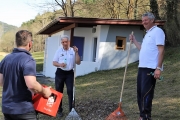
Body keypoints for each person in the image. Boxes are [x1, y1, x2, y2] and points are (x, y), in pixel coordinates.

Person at [0, 30, 52, 120]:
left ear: (16, 43)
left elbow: (1, 82)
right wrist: (45, 92)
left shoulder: (6, 59)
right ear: (30, 43)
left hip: (7, 109)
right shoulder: (28, 59)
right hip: (23, 110)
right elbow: (32, 85)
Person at [129, 12, 165, 120]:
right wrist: (134, 40)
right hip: (142, 67)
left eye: (146, 20)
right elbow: (142, 49)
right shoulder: (147, 33)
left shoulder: (158, 32)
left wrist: (158, 68)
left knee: (146, 93)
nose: (143, 22)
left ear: (152, 20)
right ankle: (142, 116)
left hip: (151, 68)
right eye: (142, 20)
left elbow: (161, 50)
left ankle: (146, 117)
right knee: (140, 93)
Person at [53, 35, 81, 117]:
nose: (64, 43)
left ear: (69, 42)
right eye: (63, 42)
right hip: (60, 73)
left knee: (70, 91)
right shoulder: (58, 51)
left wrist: (76, 53)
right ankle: (59, 111)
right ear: (61, 43)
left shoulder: (73, 50)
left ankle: (71, 110)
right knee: (58, 92)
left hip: (69, 73)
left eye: (66, 42)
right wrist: (59, 64)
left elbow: (78, 62)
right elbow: (54, 62)